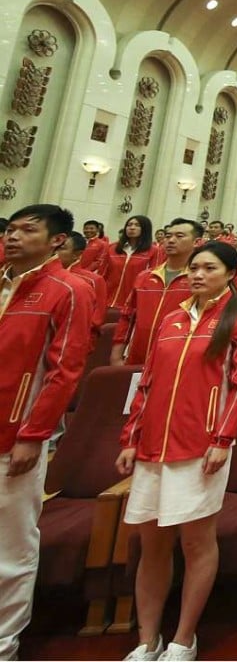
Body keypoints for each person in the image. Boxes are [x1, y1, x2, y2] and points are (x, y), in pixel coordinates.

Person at [117, 241, 237, 662]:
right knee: (152, 544)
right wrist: (130, 436)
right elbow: (146, 381)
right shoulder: (172, 318)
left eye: (209, 268)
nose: (197, 275)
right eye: (193, 268)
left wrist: (222, 439)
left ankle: (183, 638)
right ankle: (147, 640)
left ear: (230, 274)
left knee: (197, 542)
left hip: (202, 445)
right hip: (152, 445)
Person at [0, 205, 92, 660]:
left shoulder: (68, 289)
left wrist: (33, 433)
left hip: (14, 434)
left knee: (10, 545)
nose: (14, 236)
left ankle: (4, 642)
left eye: (27, 230)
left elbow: (64, 370)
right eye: (10, 229)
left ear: (57, 240)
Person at [111, 218, 202, 366]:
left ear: (197, 242)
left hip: (176, 361)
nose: (171, 240)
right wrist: (116, 355)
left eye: (179, 236)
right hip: (137, 357)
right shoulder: (145, 276)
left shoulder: (199, 279)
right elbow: (128, 316)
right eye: (168, 236)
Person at [57, 231, 108, 350]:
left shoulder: (93, 280)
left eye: (61, 248)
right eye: (54, 248)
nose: (55, 253)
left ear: (77, 254)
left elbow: (95, 319)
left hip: (73, 344)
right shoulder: (42, 276)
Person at [98, 215, 159, 308]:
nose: (132, 228)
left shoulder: (154, 251)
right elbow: (101, 274)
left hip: (132, 304)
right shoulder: (112, 248)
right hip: (106, 301)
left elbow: (153, 279)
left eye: (137, 225)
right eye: (129, 225)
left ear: (145, 229)